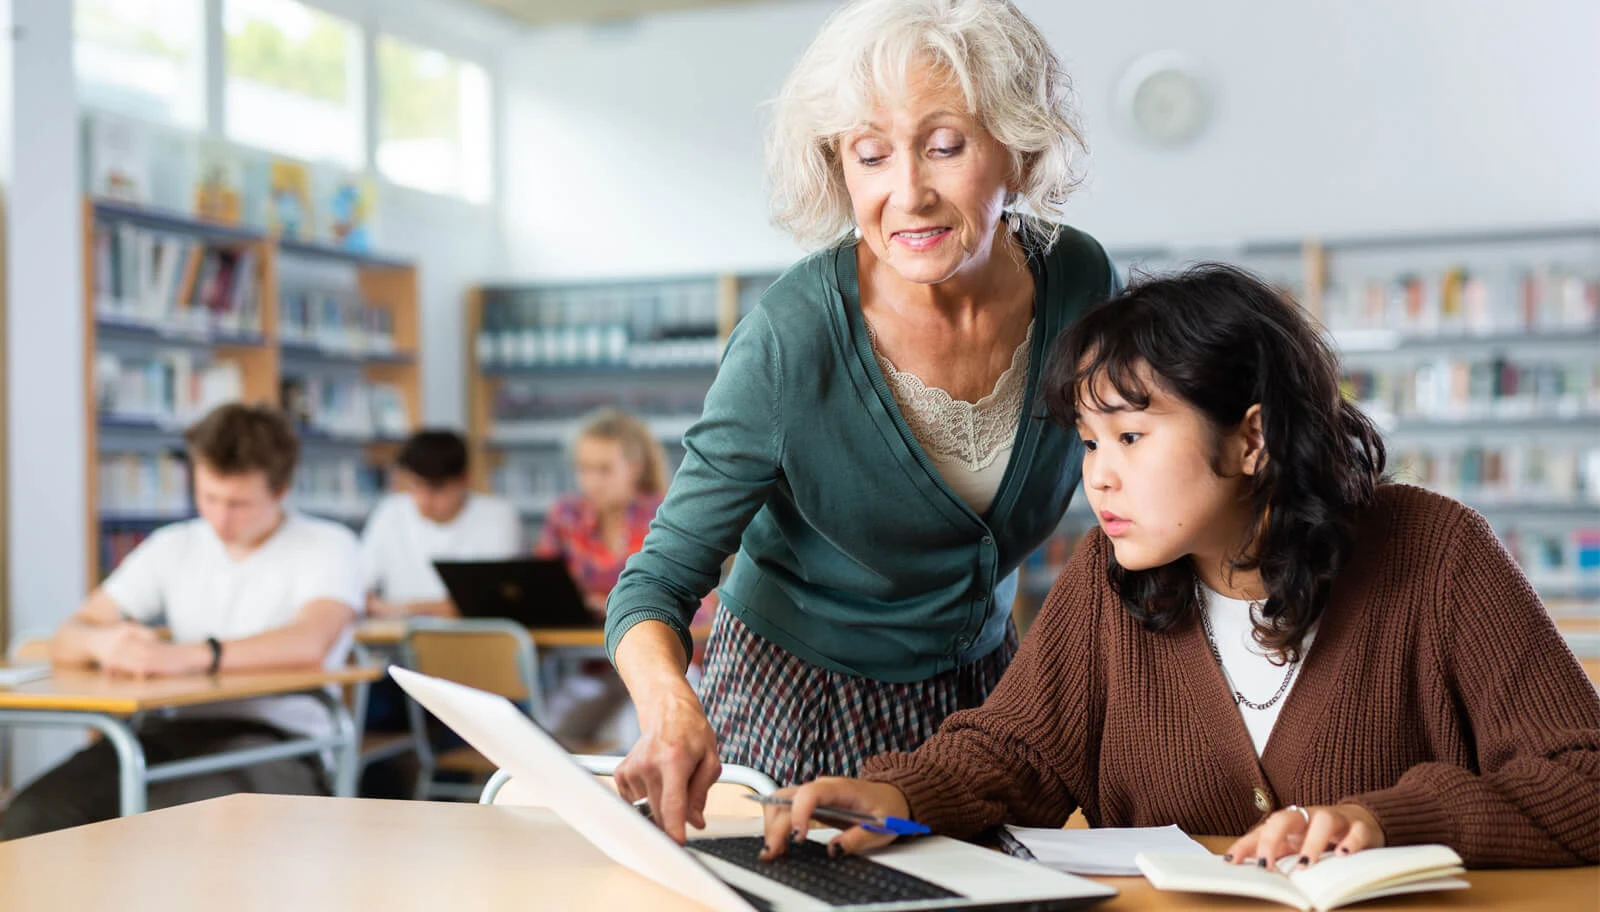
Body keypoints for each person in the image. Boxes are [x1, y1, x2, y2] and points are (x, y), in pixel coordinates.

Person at [757, 265, 1600, 870]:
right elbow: (1014, 755)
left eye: (1131, 436)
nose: (1099, 477)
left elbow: (1585, 779)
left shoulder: (1438, 552)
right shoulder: (1109, 576)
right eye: (1089, 443)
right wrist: (903, 797)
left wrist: (1384, 821)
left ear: (1253, 438)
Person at [606, 0, 1120, 843]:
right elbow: (655, 582)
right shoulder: (791, 339)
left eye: (945, 146)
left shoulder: (1081, 283)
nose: (907, 194)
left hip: (987, 706)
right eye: (871, 155)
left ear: (1018, 151)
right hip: (799, 706)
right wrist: (670, 706)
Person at [1, 403, 365, 840]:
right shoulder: (173, 546)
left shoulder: (328, 546)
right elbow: (69, 635)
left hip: (283, 740)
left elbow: (310, 642)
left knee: (176, 826)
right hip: (171, 731)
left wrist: (184, 656)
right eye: (208, 497)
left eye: (240, 504)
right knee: (31, 818)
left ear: (281, 490)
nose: (221, 518)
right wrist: (104, 643)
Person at [534, 408, 673, 747]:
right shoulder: (566, 515)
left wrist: (611, 603)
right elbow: (540, 584)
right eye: (584, 469)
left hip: (655, 657)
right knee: (549, 732)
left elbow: (690, 601)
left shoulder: (664, 515)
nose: (592, 482)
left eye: (604, 469)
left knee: (631, 731)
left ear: (635, 468)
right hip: (586, 662)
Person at [361, 429, 520, 620]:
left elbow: (491, 601)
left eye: (436, 488)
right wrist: (442, 607)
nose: (423, 500)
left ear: (464, 479)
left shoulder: (497, 516)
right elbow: (357, 592)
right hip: (400, 636)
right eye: (416, 485)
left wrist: (394, 608)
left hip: (476, 636)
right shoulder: (390, 513)